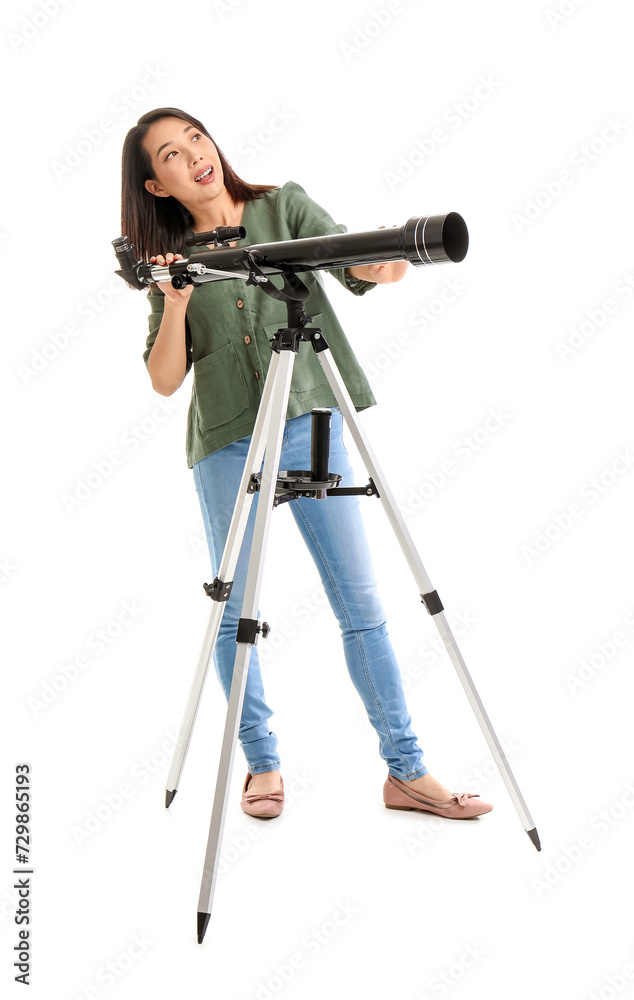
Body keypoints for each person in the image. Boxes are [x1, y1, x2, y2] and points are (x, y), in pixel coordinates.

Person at [119, 107, 493, 823]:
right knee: (234, 612)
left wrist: (385, 264)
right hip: (225, 436)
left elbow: (357, 263)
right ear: (156, 185)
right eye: (170, 154)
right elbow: (165, 380)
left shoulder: (281, 206)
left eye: (195, 136)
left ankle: (407, 772)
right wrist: (173, 303)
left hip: (309, 416)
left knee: (361, 605)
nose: (193, 154)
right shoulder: (173, 260)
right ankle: (260, 762)